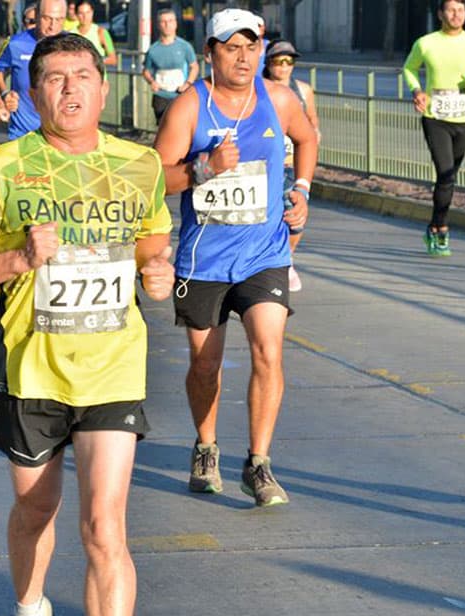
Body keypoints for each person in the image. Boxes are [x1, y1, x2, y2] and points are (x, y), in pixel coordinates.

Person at [0, 31, 175, 616]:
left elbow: (152, 237)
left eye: (83, 76)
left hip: (113, 366)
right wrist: (18, 258)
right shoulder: (4, 166)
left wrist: (156, 268)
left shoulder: (140, 164)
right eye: (55, 78)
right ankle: (30, 602)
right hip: (31, 369)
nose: (71, 89)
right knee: (37, 510)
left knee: (103, 526)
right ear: (34, 91)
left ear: (102, 87)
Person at [152, 8, 317, 507]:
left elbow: (306, 138)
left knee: (269, 349)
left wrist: (303, 189)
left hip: (264, 254)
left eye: (252, 47)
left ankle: (259, 463)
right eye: (232, 47)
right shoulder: (189, 107)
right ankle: (206, 448)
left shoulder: (278, 98)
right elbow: (155, 179)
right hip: (203, 260)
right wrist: (203, 167)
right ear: (211, 53)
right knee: (207, 364)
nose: (244, 57)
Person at [402, 0, 465, 257]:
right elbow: (409, 68)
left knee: (448, 179)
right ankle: (441, 229)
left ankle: (432, 224)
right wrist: (417, 90)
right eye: (451, 10)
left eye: (461, 10)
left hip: (463, 119)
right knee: (445, 172)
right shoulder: (426, 43)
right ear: (441, 14)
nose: (456, 15)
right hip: (435, 117)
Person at [262, 39, 319, 292]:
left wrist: (313, 136)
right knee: (267, 215)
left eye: (289, 61)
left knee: (295, 216)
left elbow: (312, 120)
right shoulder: (259, 89)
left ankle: (288, 257)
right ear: (268, 63)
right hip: (265, 164)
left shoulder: (303, 90)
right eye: (278, 61)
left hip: (292, 163)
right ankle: (269, 262)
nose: (284, 67)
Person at [0, 0, 66, 140]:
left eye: (59, 19)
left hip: (60, 133)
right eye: (47, 18)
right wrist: (4, 94)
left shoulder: (74, 45)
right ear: (37, 16)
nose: (52, 26)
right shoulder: (15, 44)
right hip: (23, 132)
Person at [142, 8, 198, 124]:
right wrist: (152, 82)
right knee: (163, 129)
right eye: (163, 22)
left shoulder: (185, 46)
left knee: (181, 126)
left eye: (170, 21)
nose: (167, 25)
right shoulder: (153, 49)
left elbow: (194, 66)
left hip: (180, 94)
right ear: (158, 25)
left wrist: (188, 83)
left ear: (176, 24)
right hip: (161, 96)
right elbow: (146, 70)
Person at [72, 0, 115, 66]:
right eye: (81, 13)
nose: (85, 16)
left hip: (97, 75)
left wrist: (94, 61)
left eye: (88, 12)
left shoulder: (101, 32)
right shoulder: (71, 34)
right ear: (76, 14)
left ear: (92, 12)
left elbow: (113, 59)